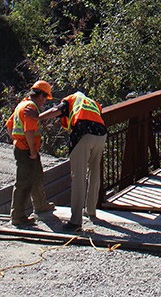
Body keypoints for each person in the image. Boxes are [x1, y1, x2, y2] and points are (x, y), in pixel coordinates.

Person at [40, 90, 107, 230]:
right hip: (101, 133)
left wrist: (38, 118)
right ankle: (91, 210)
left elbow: (55, 110)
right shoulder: (93, 102)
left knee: (78, 176)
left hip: (83, 133)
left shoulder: (71, 99)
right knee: (95, 172)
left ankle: (76, 221)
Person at [6, 80, 55, 227]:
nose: (45, 101)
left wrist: (16, 141)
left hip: (23, 148)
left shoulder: (21, 105)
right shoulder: (30, 108)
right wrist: (32, 151)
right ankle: (18, 216)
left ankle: (40, 204)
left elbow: (8, 126)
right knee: (24, 183)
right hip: (27, 150)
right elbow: (28, 131)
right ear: (41, 95)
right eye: (45, 98)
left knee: (37, 176)